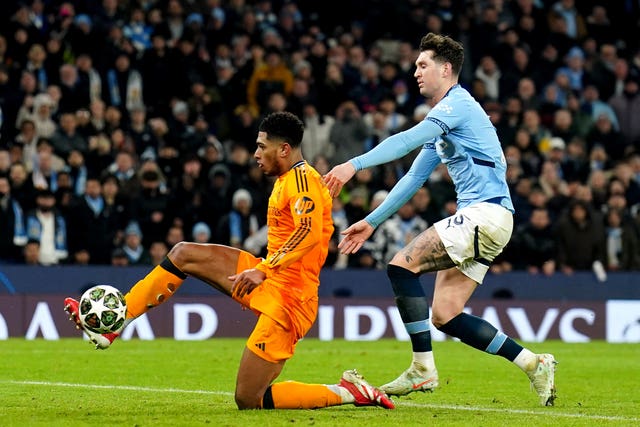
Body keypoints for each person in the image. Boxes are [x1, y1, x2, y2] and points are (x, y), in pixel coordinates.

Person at [63, 112, 393, 410]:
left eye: (262, 147)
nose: (255, 154)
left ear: (284, 149)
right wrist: (263, 269)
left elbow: (306, 234)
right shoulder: (286, 179)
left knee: (249, 399)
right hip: (269, 276)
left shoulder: (304, 183)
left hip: (291, 301)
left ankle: (349, 391)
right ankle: (117, 320)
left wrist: (263, 269)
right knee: (183, 254)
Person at [323, 33, 557, 406]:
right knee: (446, 316)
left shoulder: (457, 106)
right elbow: (414, 178)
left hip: (485, 214)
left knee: (401, 267)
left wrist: (353, 164)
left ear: (445, 69)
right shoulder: (447, 120)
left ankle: (421, 369)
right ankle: (533, 363)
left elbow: (405, 139)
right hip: (492, 218)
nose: (415, 72)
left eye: (423, 65)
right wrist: (372, 221)